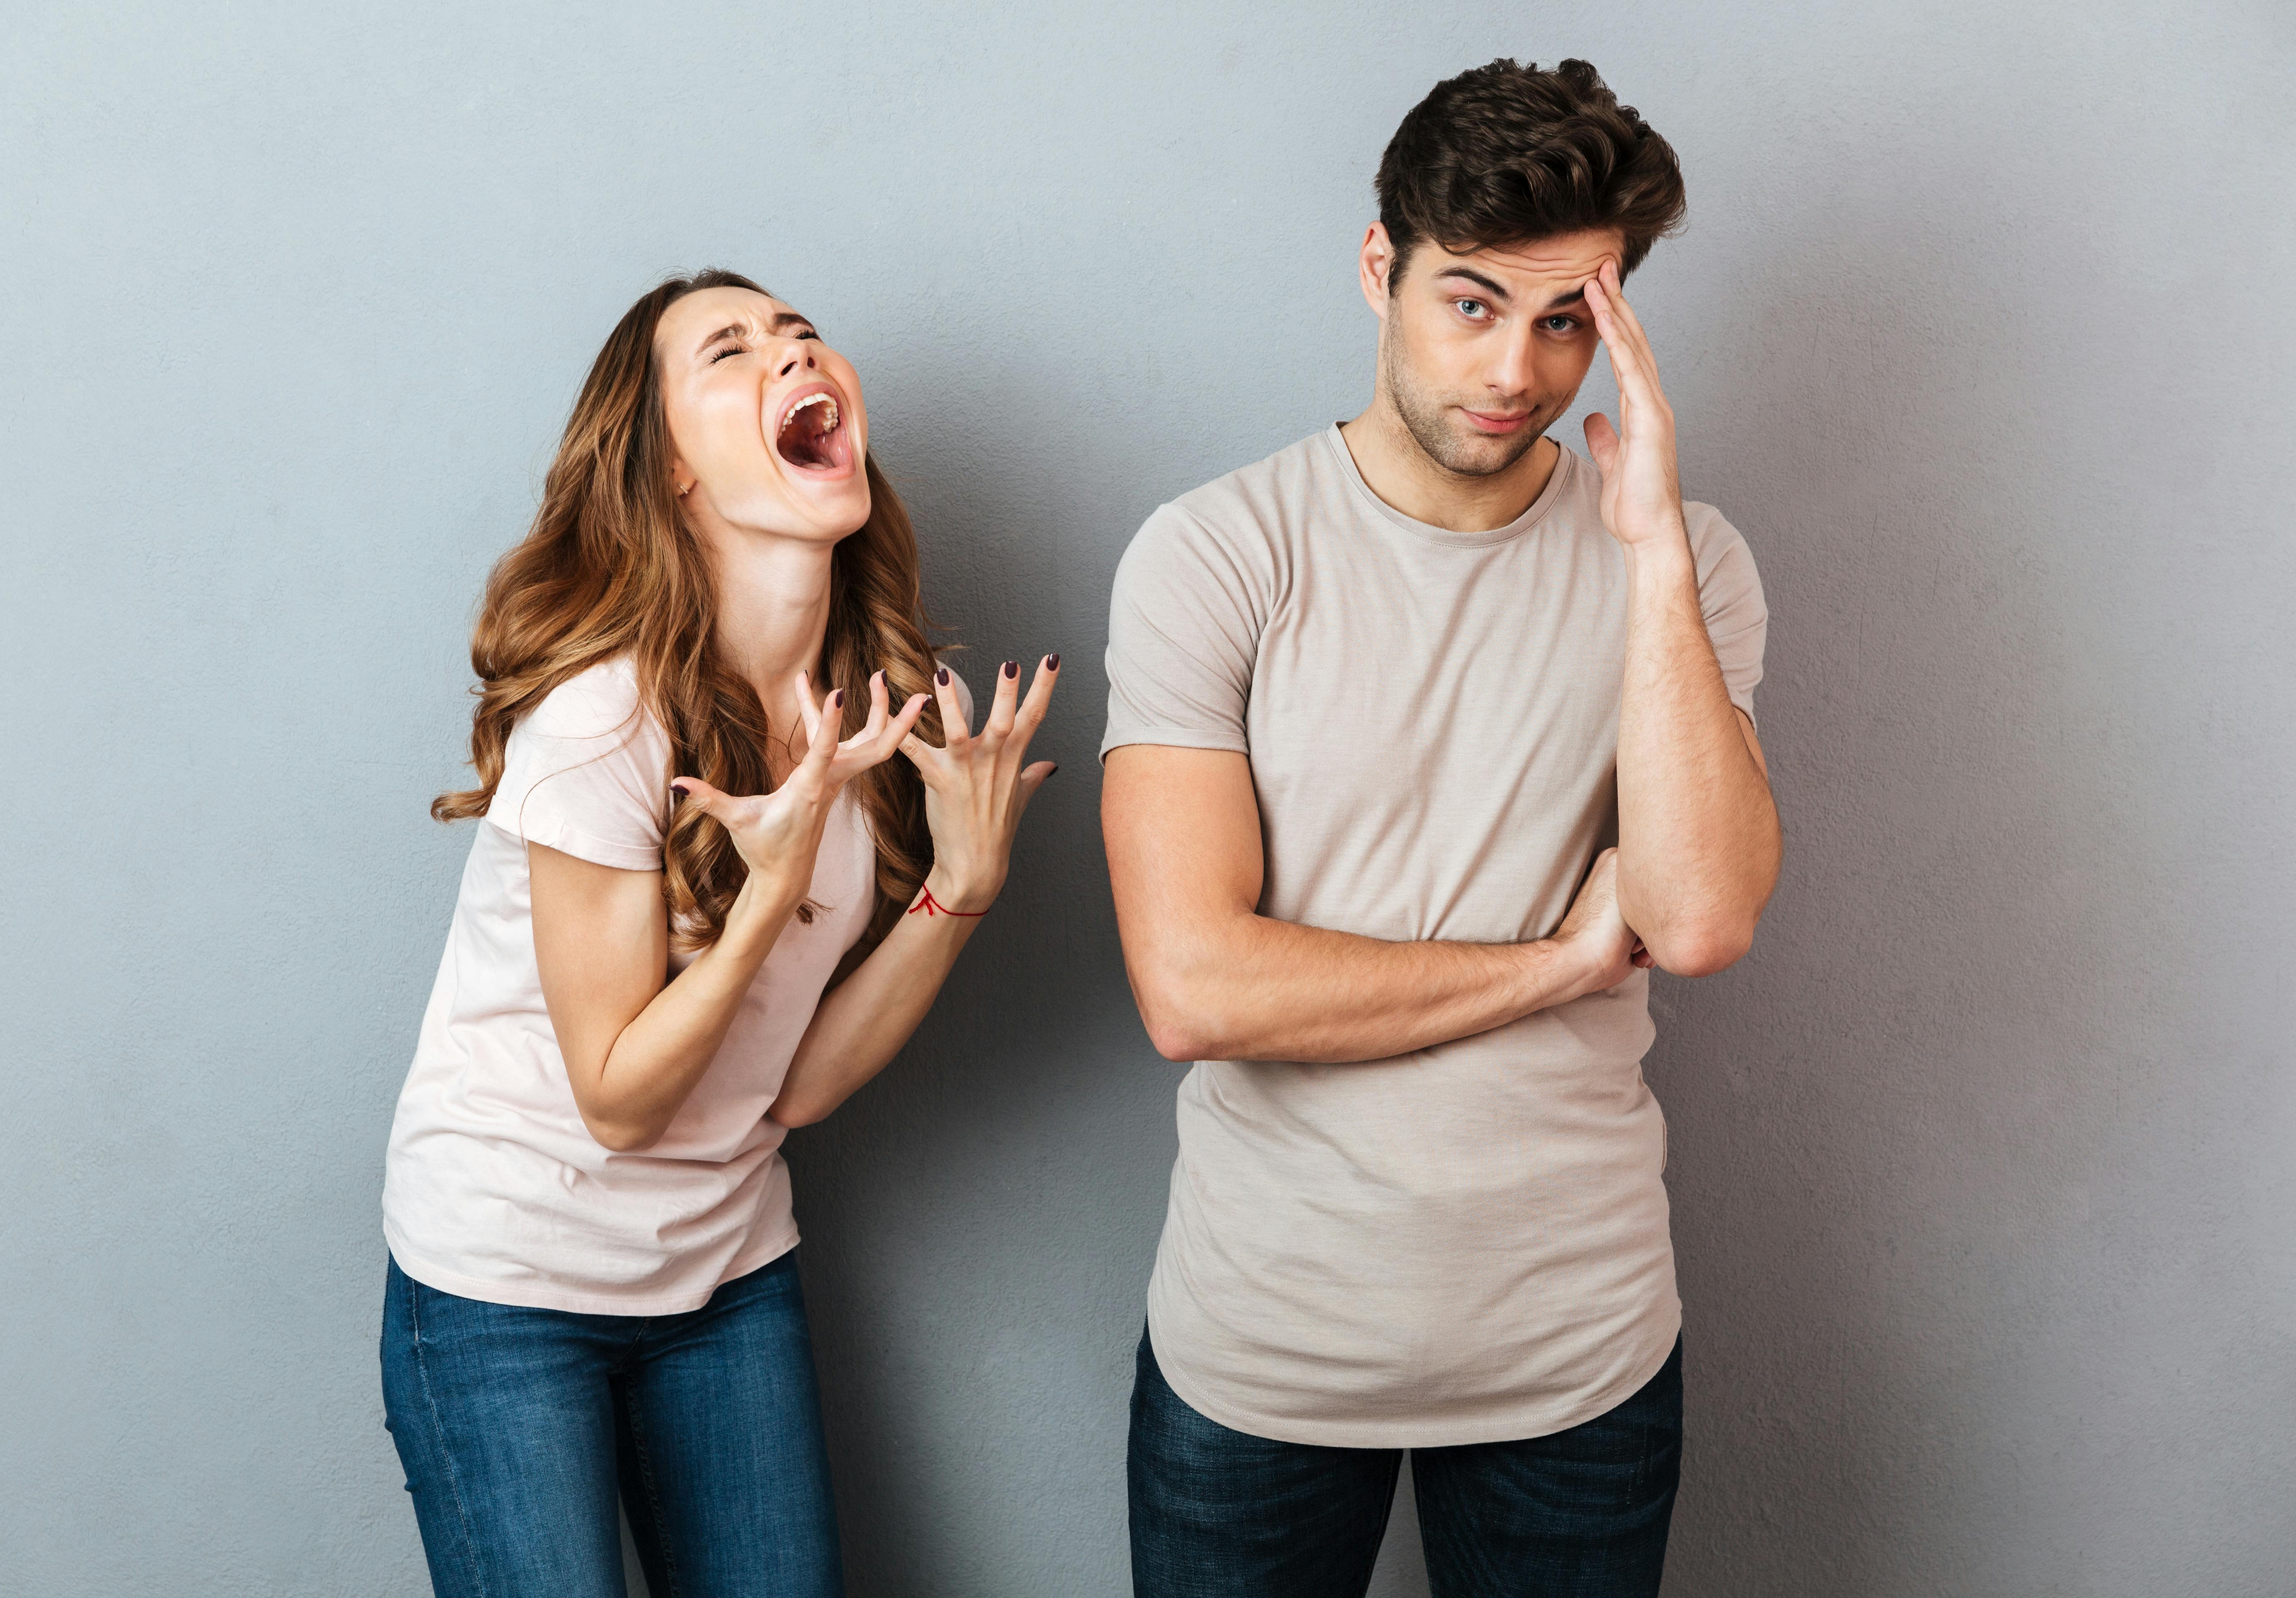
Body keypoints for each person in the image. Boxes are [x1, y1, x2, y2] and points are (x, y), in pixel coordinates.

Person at [1101, 59, 1779, 1597]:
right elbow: (1196, 989)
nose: (1519, 370)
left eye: (1568, 322)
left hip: (1579, 1350)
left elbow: (1703, 916)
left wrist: (1654, 552)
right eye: (1471, 304)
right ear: (1377, 269)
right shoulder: (1218, 553)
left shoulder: (1687, 564)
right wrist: (1550, 967)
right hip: (1262, 1354)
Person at [379, 270, 1059, 1598]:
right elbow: (622, 1102)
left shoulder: (860, 713)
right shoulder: (601, 723)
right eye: (731, 353)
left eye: (801, 335)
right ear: (673, 469)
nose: (793, 354)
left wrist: (956, 893)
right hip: (503, 1290)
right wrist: (762, 901)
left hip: (725, 1275)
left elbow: (788, 1087)